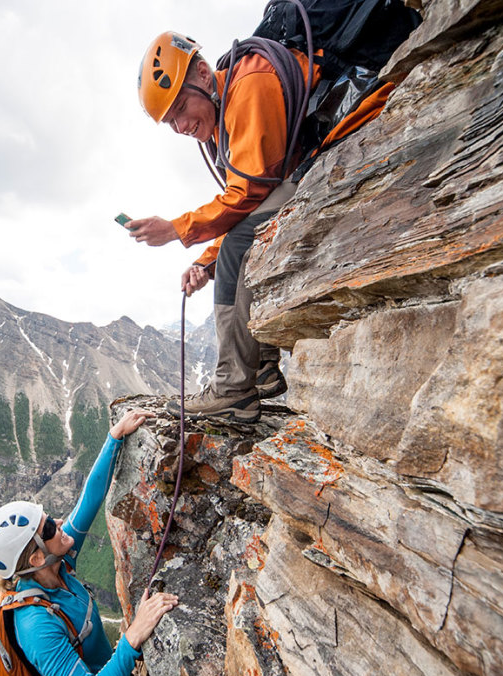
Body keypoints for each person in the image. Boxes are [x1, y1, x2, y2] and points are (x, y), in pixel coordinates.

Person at [127, 30, 390, 421]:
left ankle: (233, 389)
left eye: (181, 107)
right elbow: (251, 200)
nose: (181, 126)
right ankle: (263, 367)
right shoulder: (224, 113)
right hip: (312, 165)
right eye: (171, 121)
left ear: (202, 73)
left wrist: (178, 229)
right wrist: (205, 263)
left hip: (345, 144)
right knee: (236, 246)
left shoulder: (249, 83)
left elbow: (249, 192)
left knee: (238, 248)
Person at [0, 408, 177, 676]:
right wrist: (132, 638)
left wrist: (114, 438)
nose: (58, 524)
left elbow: (89, 501)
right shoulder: (36, 625)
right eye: (48, 528)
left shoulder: (58, 564)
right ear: (35, 558)